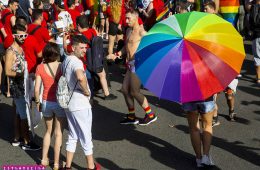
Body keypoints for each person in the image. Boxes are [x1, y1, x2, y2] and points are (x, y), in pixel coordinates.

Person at [107, 10, 157, 126]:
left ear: (136, 18)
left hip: (138, 65)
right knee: (125, 90)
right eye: (126, 18)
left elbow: (152, 47)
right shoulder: (128, 30)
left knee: (134, 91)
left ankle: (150, 115)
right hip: (129, 64)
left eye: (129, 18)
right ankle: (131, 116)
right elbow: (126, 46)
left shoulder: (141, 32)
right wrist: (117, 54)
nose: (126, 20)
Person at [62, 35, 100, 170]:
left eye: (85, 48)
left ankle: (68, 166)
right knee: (86, 136)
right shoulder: (77, 62)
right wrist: (86, 91)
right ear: (73, 48)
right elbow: (80, 76)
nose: (84, 50)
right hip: (80, 104)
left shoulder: (66, 60)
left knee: (72, 135)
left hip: (69, 104)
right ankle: (91, 166)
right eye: (81, 47)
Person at [4, 24, 41, 151]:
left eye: (25, 35)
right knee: (24, 114)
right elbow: (7, 71)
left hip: (23, 84)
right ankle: (27, 141)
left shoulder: (21, 48)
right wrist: (21, 74)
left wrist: (27, 74)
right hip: (17, 87)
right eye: (21, 35)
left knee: (20, 113)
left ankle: (18, 137)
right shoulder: (10, 51)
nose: (24, 37)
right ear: (14, 36)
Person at [34, 42, 66, 170]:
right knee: (59, 133)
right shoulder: (62, 66)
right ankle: (57, 163)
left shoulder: (40, 67)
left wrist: (37, 102)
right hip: (59, 102)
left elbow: (37, 90)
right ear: (57, 53)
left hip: (46, 102)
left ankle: (44, 159)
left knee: (48, 131)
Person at [75, 15, 117, 100]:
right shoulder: (92, 31)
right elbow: (98, 38)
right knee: (102, 75)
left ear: (79, 25)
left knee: (89, 79)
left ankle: (90, 95)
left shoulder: (79, 36)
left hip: (87, 61)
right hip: (97, 58)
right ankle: (107, 94)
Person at [249, 0, 260, 84]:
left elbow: (254, 21)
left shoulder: (254, 7)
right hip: (256, 34)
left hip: (256, 34)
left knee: (257, 56)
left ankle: (258, 78)